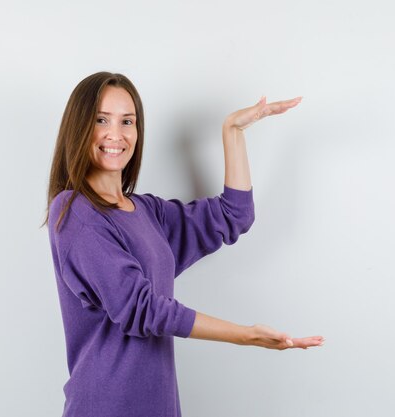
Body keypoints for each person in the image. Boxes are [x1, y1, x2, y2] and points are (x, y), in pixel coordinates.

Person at [42, 71, 324, 417]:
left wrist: (232, 132)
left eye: (127, 121)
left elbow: (234, 215)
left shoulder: (148, 213)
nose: (115, 134)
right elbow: (142, 310)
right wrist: (244, 335)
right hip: (105, 405)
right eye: (101, 120)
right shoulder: (75, 212)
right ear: (80, 127)